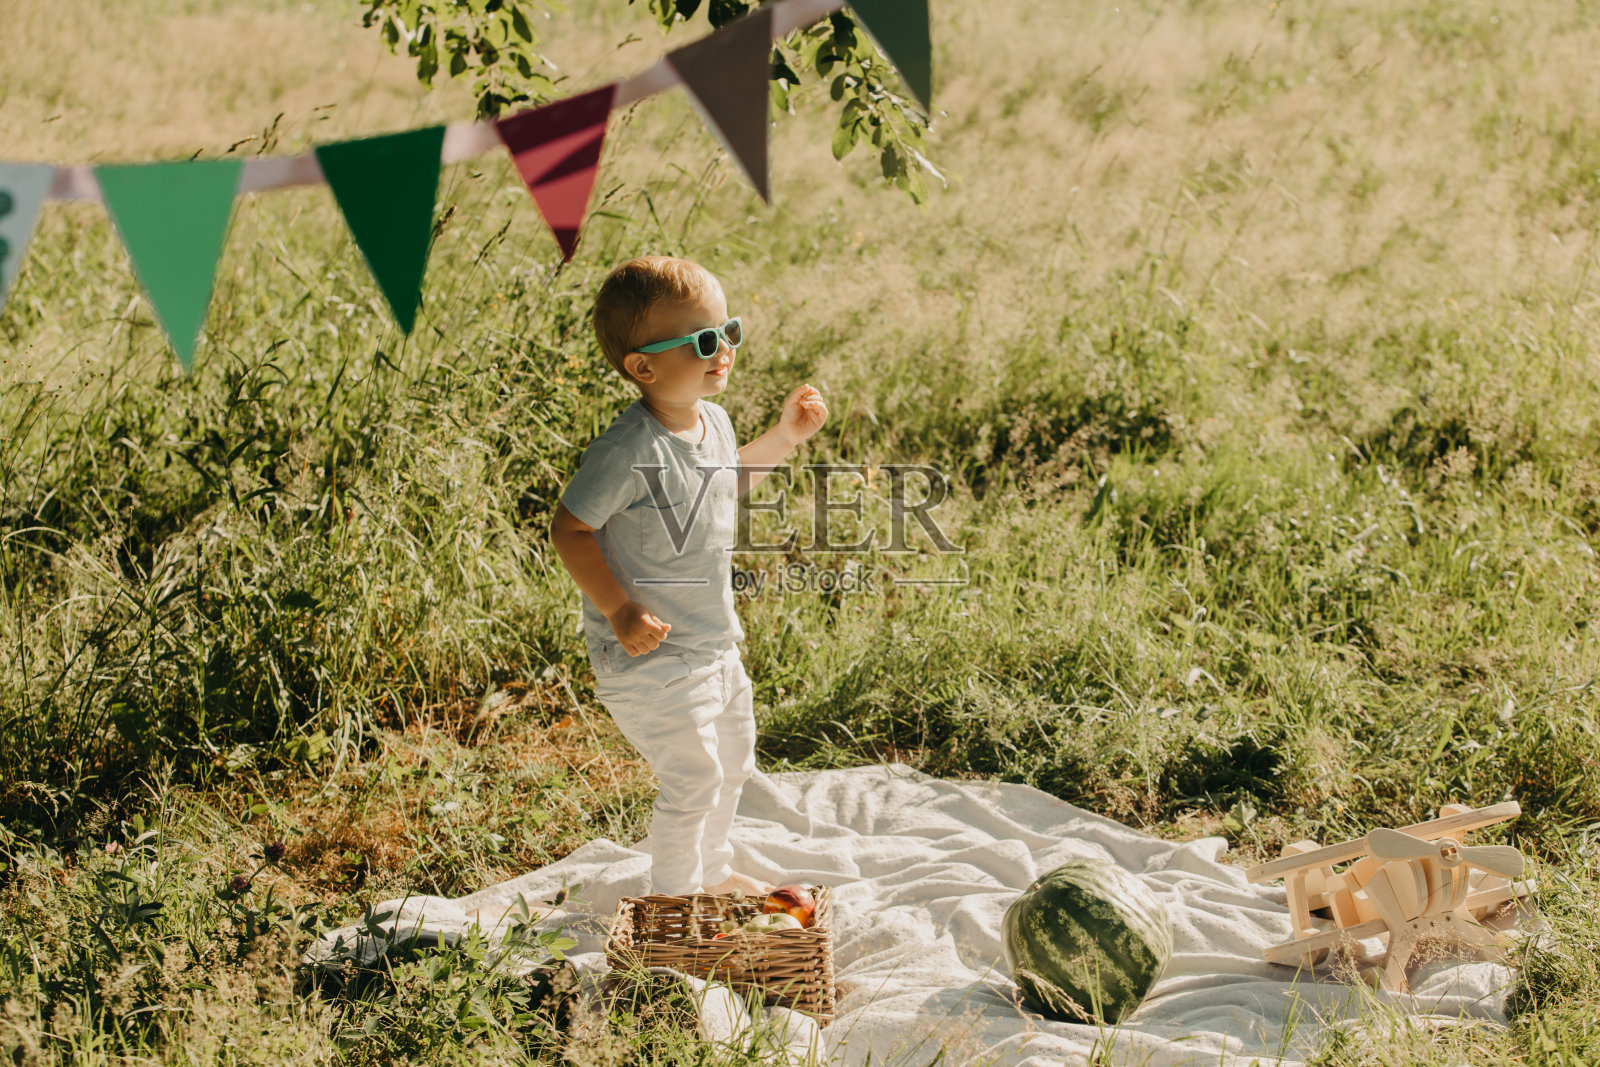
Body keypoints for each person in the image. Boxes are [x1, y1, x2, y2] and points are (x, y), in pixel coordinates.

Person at [549, 255, 827, 897]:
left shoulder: (714, 421)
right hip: (649, 656)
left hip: (711, 644)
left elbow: (724, 483)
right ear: (643, 367)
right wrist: (619, 610)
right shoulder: (629, 449)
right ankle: (674, 910)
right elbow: (570, 528)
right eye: (703, 341)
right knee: (695, 778)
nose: (723, 350)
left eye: (729, 332)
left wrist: (785, 437)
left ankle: (709, 873)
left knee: (733, 767)